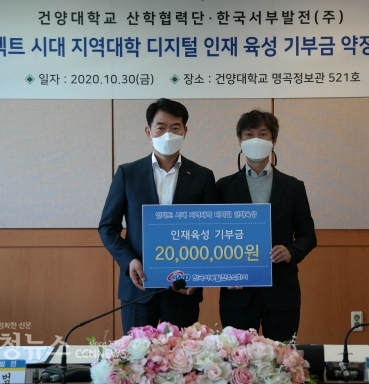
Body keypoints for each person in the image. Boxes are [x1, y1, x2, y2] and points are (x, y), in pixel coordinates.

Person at [99, 98, 217, 333]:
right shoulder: (128, 173)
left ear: (185, 132)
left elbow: (211, 231)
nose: (168, 134)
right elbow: (107, 227)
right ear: (148, 132)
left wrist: (199, 275)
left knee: (183, 354)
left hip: (183, 287)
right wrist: (129, 261)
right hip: (139, 287)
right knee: (137, 353)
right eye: (161, 127)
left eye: (175, 128)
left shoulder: (202, 176)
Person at [216, 109, 317, 342]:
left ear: (274, 140)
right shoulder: (223, 187)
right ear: (240, 141)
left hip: (282, 291)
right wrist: (224, 274)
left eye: (263, 134)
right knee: (236, 358)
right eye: (249, 135)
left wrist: (291, 251)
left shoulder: (293, 187)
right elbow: (213, 238)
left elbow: (308, 235)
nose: (256, 140)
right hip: (238, 294)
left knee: (282, 358)